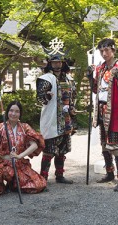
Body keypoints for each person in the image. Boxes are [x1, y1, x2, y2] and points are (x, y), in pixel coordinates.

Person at [88, 38, 118, 192]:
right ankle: (109, 172)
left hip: (115, 111)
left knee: (116, 146)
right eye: (102, 51)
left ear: (113, 50)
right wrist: (89, 76)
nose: (104, 53)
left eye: (107, 50)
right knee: (104, 145)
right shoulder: (100, 69)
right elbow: (96, 90)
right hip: (101, 110)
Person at [0, 100, 46, 197]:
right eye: (11, 111)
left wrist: (20, 156)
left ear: (20, 114)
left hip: (19, 163)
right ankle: (2, 186)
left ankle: (13, 184)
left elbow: (35, 145)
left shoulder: (25, 127)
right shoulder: (1, 127)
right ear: (7, 112)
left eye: (17, 111)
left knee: (38, 184)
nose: (13, 114)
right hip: (3, 163)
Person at [36, 55, 77, 184]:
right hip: (52, 117)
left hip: (66, 119)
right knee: (49, 149)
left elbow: (73, 96)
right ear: (50, 64)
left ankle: (59, 175)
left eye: (59, 62)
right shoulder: (46, 78)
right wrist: (46, 96)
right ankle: (43, 178)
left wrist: (72, 108)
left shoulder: (69, 79)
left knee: (62, 149)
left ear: (63, 63)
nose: (57, 64)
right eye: (54, 62)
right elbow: (40, 97)